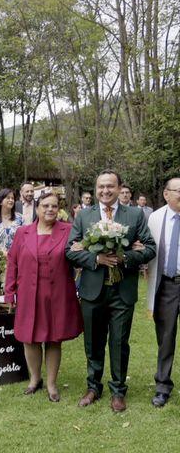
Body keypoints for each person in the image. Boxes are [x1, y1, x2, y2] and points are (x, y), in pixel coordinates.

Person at [66, 169, 156, 412]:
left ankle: (118, 390)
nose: (105, 190)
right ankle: (93, 386)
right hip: (92, 290)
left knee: (119, 342)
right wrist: (96, 259)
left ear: (118, 189)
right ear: (96, 190)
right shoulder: (84, 216)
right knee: (93, 342)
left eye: (110, 186)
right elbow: (70, 251)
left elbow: (149, 248)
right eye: (101, 187)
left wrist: (124, 257)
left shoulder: (135, 214)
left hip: (122, 290)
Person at [4, 192, 83, 402]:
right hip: (29, 295)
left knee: (54, 339)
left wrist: (83, 249)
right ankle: (34, 379)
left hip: (58, 295)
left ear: (59, 209)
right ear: (37, 208)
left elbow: (78, 257)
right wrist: (9, 293)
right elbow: (13, 263)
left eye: (54, 206)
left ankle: (51, 384)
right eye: (46, 205)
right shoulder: (23, 233)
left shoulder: (69, 231)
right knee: (29, 338)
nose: (50, 209)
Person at [146, 177, 180, 407]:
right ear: (166, 194)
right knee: (165, 338)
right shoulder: (155, 218)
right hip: (167, 285)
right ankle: (162, 386)